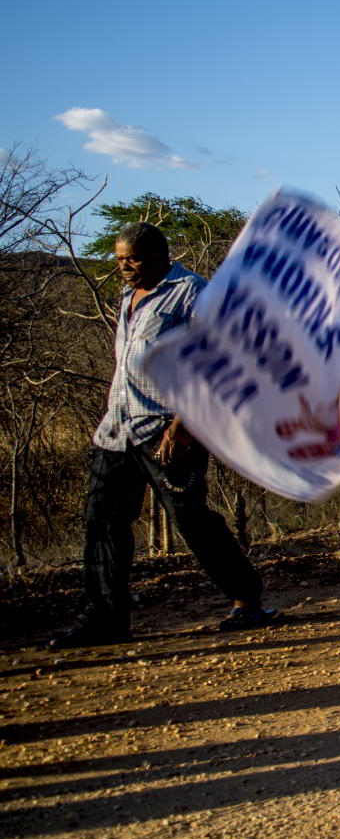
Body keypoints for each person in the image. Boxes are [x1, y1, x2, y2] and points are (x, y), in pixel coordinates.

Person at [48, 222, 277, 650]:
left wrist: (182, 424)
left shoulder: (192, 292)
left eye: (132, 258)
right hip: (118, 430)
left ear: (160, 255)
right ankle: (105, 619)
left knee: (191, 519)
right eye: (119, 259)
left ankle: (248, 600)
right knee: (102, 521)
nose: (124, 267)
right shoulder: (126, 296)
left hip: (167, 430)